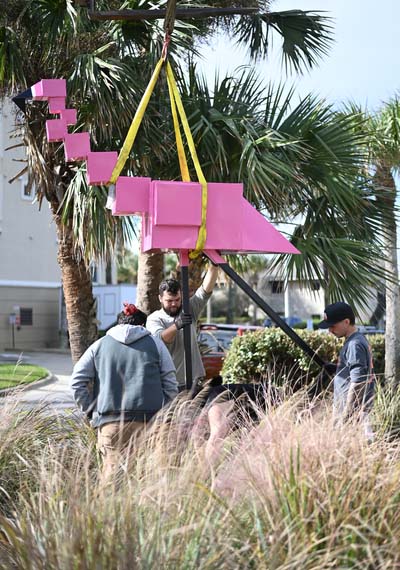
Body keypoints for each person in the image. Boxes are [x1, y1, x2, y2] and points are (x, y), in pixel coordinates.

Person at [70, 302, 178, 478]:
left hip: (110, 422)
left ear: (118, 323)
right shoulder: (155, 344)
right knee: (147, 478)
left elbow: (76, 381)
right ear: (142, 326)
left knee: (111, 480)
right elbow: (171, 383)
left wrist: (92, 412)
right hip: (149, 422)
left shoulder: (99, 345)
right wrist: (164, 413)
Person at [146, 263, 219, 390]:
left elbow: (205, 291)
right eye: (169, 301)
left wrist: (214, 266)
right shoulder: (154, 318)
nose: (174, 304)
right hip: (171, 383)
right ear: (160, 298)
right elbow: (160, 339)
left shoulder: (189, 308)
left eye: (177, 299)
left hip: (195, 380)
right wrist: (177, 325)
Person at [318, 302, 375, 438]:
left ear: (346, 322)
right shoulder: (356, 340)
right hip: (355, 413)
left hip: (354, 415)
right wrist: (336, 368)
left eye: (333, 326)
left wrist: (346, 416)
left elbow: (358, 382)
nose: (330, 330)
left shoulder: (354, 344)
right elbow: (355, 370)